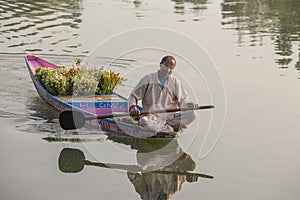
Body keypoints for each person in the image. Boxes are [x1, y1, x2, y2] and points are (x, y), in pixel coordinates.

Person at [128, 55, 198, 133]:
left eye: (171, 68)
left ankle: (167, 127)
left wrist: (188, 105)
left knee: (193, 114)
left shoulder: (175, 82)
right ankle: (170, 129)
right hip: (151, 118)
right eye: (166, 66)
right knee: (143, 121)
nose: (168, 70)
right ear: (160, 64)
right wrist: (133, 106)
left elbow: (183, 101)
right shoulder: (148, 78)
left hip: (170, 118)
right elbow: (133, 96)